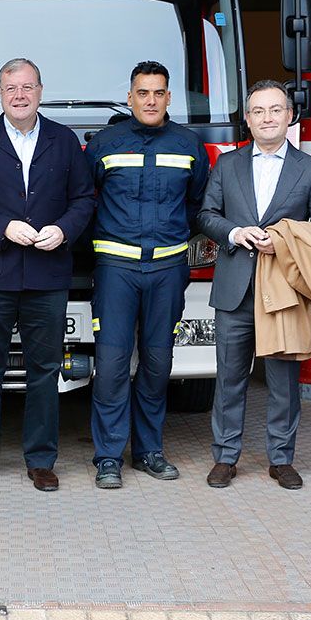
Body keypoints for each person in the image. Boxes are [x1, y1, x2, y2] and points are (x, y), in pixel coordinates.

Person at [0, 58, 95, 492]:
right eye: (11, 88)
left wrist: (64, 229)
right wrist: (3, 227)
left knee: (45, 370)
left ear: (40, 91)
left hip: (48, 275)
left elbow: (84, 198)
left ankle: (41, 460)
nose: (19, 95)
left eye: (27, 87)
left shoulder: (64, 140)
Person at [198, 80, 311, 490]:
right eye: (258, 111)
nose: (267, 118)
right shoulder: (227, 165)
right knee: (229, 378)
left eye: (275, 110)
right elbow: (206, 215)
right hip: (235, 287)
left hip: (284, 290)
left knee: (283, 380)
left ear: (290, 116)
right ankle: (225, 457)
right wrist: (235, 233)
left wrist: (282, 239)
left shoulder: (310, 169)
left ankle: (281, 459)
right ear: (247, 119)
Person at [82, 60, 209, 490]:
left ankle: (150, 451)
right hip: (116, 270)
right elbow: (85, 201)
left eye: (158, 93)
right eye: (142, 92)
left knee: (157, 364)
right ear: (131, 96)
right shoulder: (104, 143)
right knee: (113, 364)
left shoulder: (189, 145)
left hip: (168, 270)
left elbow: (197, 206)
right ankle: (108, 457)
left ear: (169, 97)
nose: (151, 100)